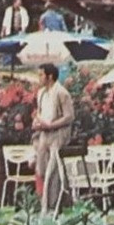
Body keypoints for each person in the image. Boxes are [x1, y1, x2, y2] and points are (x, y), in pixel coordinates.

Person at [31, 63, 75, 213]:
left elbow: (69, 116)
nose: (39, 78)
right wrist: (37, 122)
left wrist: (52, 125)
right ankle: (63, 203)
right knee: (41, 168)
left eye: (41, 75)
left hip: (58, 134)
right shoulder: (41, 93)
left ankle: (51, 206)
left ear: (49, 76)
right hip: (44, 133)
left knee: (53, 170)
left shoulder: (62, 93)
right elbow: (40, 112)